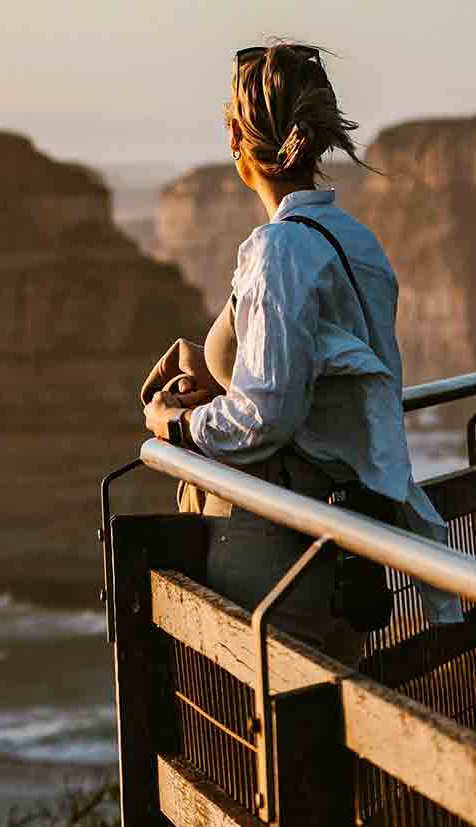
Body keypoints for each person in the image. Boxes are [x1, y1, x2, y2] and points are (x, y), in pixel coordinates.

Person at [142, 41, 462, 662]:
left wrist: (177, 426)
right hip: (346, 534)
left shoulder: (278, 251)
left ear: (236, 139)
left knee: (263, 741)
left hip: (273, 547)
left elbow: (266, 417)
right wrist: (216, 375)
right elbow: (322, 382)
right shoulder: (354, 240)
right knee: (330, 730)